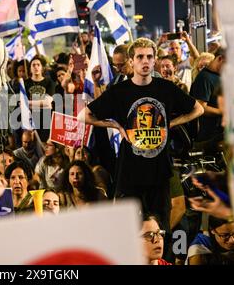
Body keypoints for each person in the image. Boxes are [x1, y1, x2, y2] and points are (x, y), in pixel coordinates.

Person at [79, 37, 204, 232]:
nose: (145, 61)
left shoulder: (166, 88)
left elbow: (198, 109)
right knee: (128, 230)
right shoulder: (119, 91)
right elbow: (83, 116)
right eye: (140, 57)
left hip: (159, 170)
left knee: (161, 228)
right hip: (130, 172)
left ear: (155, 60)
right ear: (132, 61)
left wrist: (171, 123)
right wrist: (115, 125)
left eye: (149, 57)